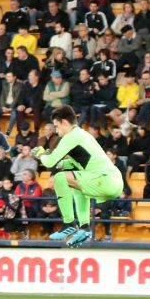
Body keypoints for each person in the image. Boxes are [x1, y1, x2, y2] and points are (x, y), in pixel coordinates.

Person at [35, 104, 126, 248]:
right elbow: (75, 163)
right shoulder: (83, 135)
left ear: (65, 122)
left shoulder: (71, 136)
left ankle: (68, 223)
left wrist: (40, 154)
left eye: (57, 126)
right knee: (75, 184)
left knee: (59, 178)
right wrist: (58, 162)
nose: (57, 131)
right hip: (113, 181)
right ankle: (84, 228)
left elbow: (50, 162)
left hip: (104, 179)